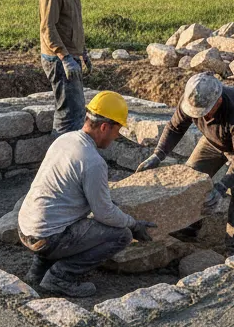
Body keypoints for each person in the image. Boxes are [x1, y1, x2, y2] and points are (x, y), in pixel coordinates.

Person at [18, 90, 156, 297]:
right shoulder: (93, 161)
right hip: (48, 238)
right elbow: (104, 214)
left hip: (26, 229)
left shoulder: (66, 139)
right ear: (104, 127)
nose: (116, 136)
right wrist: (133, 224)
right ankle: (60, 277)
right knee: (121, 235)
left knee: (62, 218)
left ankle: (37, 271)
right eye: (117, 130)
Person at [135, 73, 234, 254]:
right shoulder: (192, 99)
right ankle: (188, 229)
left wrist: (221, 187)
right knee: (193, 178)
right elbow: (175, 127)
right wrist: (158, 155)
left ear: (218, 102)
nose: (199, 116)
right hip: (212, 141)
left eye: (204, 112)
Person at [38, 0, 96, 136]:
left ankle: (68, 156)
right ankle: (60, 158)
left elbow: (74, 25)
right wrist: (65, 58)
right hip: (58, 61)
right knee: (68, 116)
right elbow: (48, 27)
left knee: (76, 112)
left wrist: (83, 52)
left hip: (71, 57)